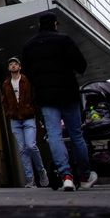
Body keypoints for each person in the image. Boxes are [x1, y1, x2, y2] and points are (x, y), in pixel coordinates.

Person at [22, 11, 97, 191]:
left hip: (46, 96)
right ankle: (85, 176)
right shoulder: (64, 41)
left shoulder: (29, 46)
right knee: (76, 134)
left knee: (54, 135)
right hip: (68, 93)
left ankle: (66, 176)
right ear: (55, 24)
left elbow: (28, 73)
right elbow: (81, 65)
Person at [0, 56, 49, 188]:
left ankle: (41, 171)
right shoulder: (6, 84)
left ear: (20, 67)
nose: (13, 66)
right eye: (11, 64)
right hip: (15, 120)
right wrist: (9, 112)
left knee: (31, 145)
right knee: (22, 150)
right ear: (8, 68)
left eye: (16, 64)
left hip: (28, 117)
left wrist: (34, 112)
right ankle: (30, 180)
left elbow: (34, 98)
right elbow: (4, 101)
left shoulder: (27, 81)